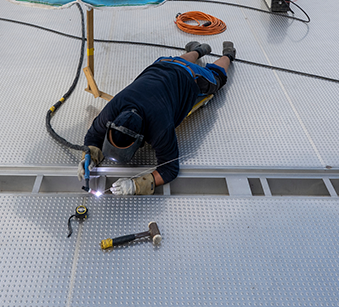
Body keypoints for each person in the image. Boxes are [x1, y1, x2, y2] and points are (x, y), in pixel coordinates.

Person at [82, 41, 235, 195]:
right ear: (111, 125)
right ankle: (199, 50)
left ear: (141, 139)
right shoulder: (112, 110)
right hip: (162, 64)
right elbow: (93, 135)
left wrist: (136, 185)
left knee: (217, 77)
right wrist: (89, 157)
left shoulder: (160, 126)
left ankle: (227, 55)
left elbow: (170, 169)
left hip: (190, 75)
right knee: (179, 61)